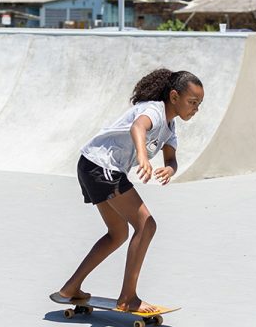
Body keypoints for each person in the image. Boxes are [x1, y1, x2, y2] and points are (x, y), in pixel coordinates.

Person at [52, 68, 204, 313]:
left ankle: (70, 288)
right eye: (192, 102)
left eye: (199, 104)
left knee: (117, 234)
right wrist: (143, 157)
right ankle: (128, 298)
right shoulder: (154, 110)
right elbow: (138, 128)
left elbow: (172, 158)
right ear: (174, 97)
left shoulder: (170, 126)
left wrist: (170, 169)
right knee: (147, 224)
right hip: (102, 166)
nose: (196, 109)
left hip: (94, 165)